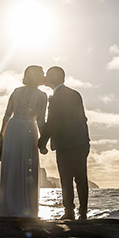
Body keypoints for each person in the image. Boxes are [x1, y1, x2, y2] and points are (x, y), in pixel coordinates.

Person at [38, 66, 90, 220]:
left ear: (55, 77)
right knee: (81, 178)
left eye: (48, 75)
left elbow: (53, 121)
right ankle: (83, 213)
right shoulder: (75, 94)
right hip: (81, 141)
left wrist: (42, 141)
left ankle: (69, 212)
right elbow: (83, 118)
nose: (45, 78)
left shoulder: (56, 97)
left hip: (66, 143)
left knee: (66, 178)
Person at [0, 65, 48, 218]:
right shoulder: (42, 95)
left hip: (13, 128)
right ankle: (26, 207)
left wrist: (1, 136)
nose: (44, 75)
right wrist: (43, 141)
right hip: (28, 129)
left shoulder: (16, 91)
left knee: (12, 166)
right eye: (42, 73)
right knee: (27, 166)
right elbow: (40, 120)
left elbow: (7, 115)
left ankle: (8, 208)